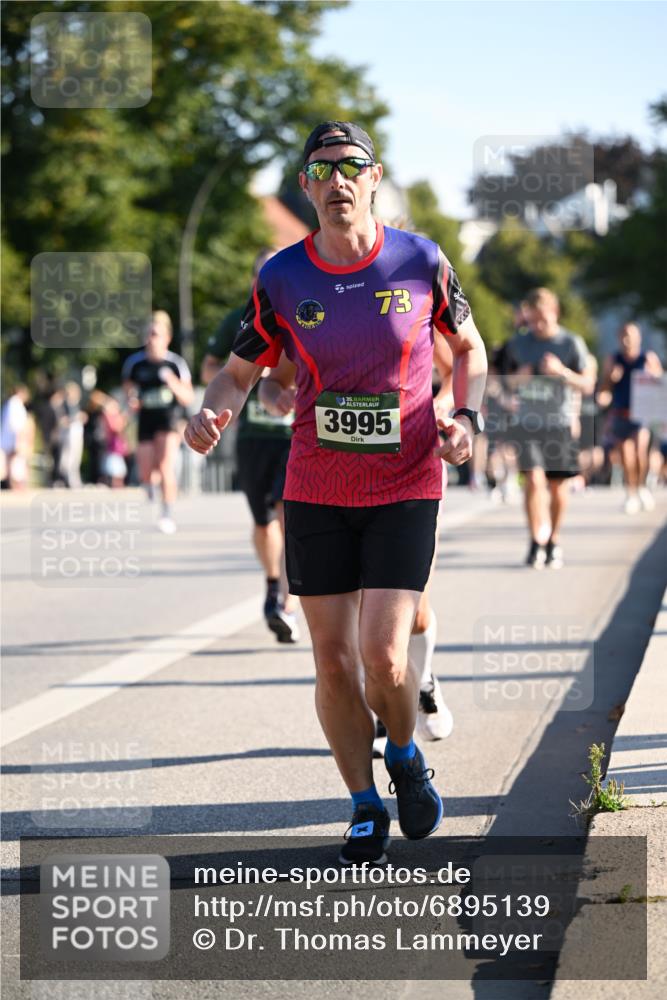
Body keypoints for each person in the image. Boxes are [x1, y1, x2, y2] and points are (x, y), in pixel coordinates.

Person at [185, 121, 487, 864]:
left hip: (406, 479)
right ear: (306, 186)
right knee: (330, 661)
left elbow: (468, 349)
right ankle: (361, 802)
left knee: (382, 657)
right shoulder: (283, 276)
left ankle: (406, 758)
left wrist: (466, 418)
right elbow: (239, 370)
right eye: (323, 169)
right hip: (317, 482)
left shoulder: (421, 260)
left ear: (374, 176)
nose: (338, 179)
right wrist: (212, 404)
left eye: (352, 166)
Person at [260, 336, 455, 750]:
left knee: (413, 612)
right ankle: (385, 718)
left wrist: (445, 404)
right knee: (367, 622)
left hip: (409, 478)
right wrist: (276, 397)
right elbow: (271, 380)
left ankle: (423, 678)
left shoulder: (409, 290)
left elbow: (458, 364)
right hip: (334, 484)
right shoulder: (313, 300)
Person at [201, 252, 300, 644]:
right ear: (254, 278)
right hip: (253, 438)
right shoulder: (238, 319)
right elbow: (215, 369)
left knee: (287, 513)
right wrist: (246, 375)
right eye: (262, 274)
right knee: (263, 523)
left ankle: (286, 602)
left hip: (292, 437)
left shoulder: (303, 309)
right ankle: (273, 584)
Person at [504, 288, 595, 569]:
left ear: (554, 313)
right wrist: (518, 378)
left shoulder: (571, 343)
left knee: (557, 487)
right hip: (528, 422)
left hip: (559, 422)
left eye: (542, 319)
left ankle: (553, 539)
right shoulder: (518, 344)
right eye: (531, 320)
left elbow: (588, 383)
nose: (536, 326)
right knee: (532, 480)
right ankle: (535, 540)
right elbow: (505, 383)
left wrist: (562, 372)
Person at [122, 311, 193, 533]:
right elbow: (129, 391)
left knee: (164, 465)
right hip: (146, 420)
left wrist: (171, 382)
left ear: (167, 338)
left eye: (156, 334)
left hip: (168, 420)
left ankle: (166, 513)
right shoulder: (135, 363)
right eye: (149, 334)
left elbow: (188, 397)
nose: (151, 339)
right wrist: (132, 400)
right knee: (145, 470)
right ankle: (150, 488)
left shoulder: (175, 364)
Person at [597, 322, 663, 514]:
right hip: (620, 412)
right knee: (626, 456)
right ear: (619, 338)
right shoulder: (613, 359)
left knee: (640, 452)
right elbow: (604, 390)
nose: (627, 340)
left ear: (638, 337)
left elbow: (660, 384)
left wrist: (652, 376)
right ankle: (631, 492)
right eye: (623, 336)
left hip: (642, 413)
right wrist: (611, 378)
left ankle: (641, 486)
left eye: (631, 336)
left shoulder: (648, 358)